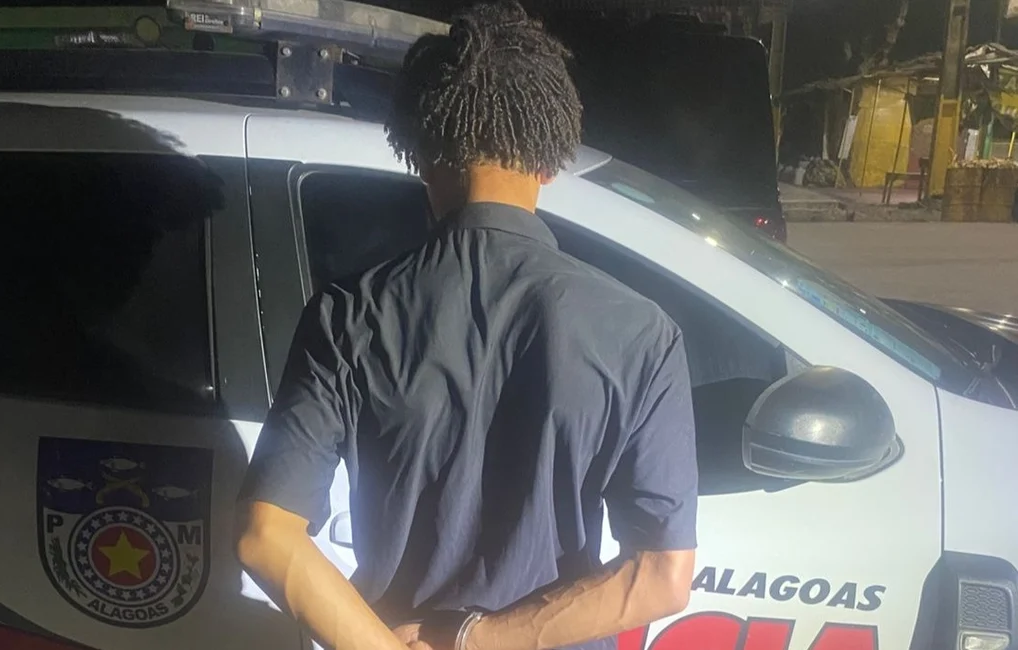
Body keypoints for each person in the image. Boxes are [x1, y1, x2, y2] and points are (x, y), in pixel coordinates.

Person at [235, 3, 698, 650]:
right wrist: (475, 639)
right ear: (549, 161)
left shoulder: (348, 316)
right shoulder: (643, 333)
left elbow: (266, 534)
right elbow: (662, 576)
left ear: (420, 155)